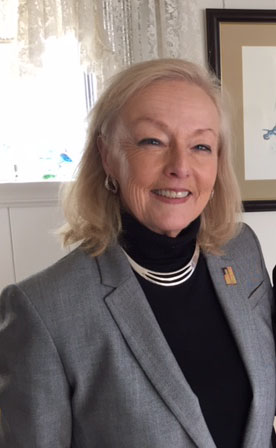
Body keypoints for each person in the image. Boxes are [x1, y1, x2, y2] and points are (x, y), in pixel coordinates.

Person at [0, 58, 275, 448]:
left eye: (200, 146)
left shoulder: (242, 251)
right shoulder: (43, 310)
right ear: (108, 156)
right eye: (153, 142)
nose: (180, 166)